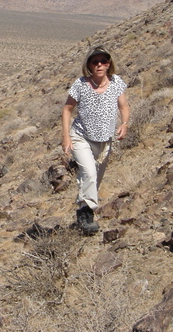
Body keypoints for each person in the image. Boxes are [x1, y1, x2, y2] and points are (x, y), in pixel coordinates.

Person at [61, 45, 129, 234]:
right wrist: (66, 137)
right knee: (89, 173)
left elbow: (124, 106)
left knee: (94, 179)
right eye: (95, 61)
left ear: (109, 64)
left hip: (105, 139)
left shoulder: (116, 83)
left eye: (103, 61)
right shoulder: (80, 84)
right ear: (89, 65)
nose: (99, 64)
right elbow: (67, 109)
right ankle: (86, 214)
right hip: (81, 136)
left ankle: (83, 209)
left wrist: (124, 124)